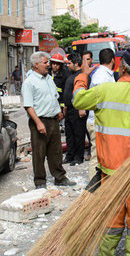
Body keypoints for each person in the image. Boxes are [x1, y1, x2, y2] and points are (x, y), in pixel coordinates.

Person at [74, 48, 130, 255]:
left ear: (122, 66)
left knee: (111, 220)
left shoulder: (105, 91)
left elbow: (78, 101)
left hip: (110, 170)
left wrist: (82, 77)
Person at [22, 51, 75, 188]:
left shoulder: (49, 79)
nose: (49, 65)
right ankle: (40, 181)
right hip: (39, 121)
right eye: (46, 62)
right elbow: (28, 106)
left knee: (56, 151)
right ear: (36, 65)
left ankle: (60, 177)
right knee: (39, 153)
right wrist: (38, 123)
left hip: (53, 120)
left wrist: (58, 112)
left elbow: (54, 97)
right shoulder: (29, 82)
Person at [86, 48, 116, 180]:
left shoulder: (106, 75)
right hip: (97, 121)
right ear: (113, 60)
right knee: (96, 156)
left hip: (102, 121)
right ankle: (93, 186)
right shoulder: (102, 77)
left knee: (102, 155)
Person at [62, 53, 86, 166]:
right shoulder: (70, 75)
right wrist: (65, 107)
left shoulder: (81, 76)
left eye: (69, 63)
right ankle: (70, 155)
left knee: (78, 134)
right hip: (69, 109)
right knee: (69, 134)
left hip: (78, 109)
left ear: (76, 63)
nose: (67, 65)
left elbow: (83, 93)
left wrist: (82, 108)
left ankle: (78, 157)